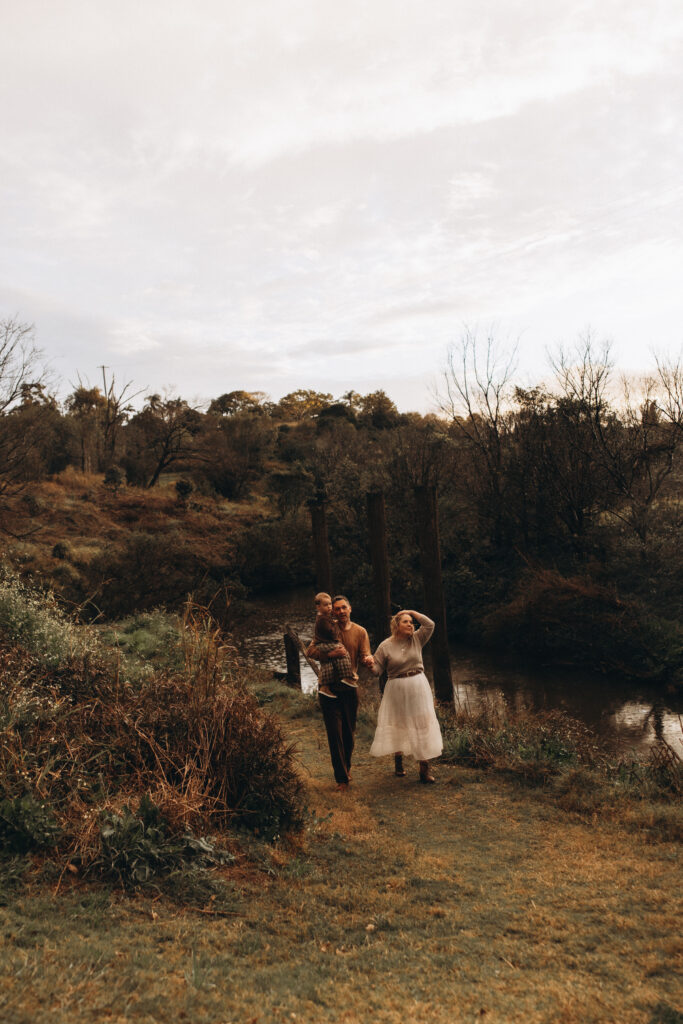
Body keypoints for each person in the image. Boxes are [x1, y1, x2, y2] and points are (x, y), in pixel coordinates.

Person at [307, 594, 374, 790]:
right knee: (334, 734)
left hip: (350, 687)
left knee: (348, 733)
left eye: (344, 607)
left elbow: (365, 654)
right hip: (328, 688)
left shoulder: (360, 632)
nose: (340, 611)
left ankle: (347, 767)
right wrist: (329, 654)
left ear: (350, 609)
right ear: (332, 611)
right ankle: (341, 779)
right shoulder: (328, 629)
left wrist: (368, 660)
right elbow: (310, 651)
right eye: (336, 609)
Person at [369, 609, 442, 784]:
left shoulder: (417, 639)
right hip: (396, 688)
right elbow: (377, 671)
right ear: (396, 625)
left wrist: (411, 612)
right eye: (406, 622)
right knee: (399, 723)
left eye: (411, 622)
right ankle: (399, 761)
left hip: (418, 685)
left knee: (422, 723)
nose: (410, 624)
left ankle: (424, 769)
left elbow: (430, 624)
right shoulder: (385, 646)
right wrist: (369, 664)